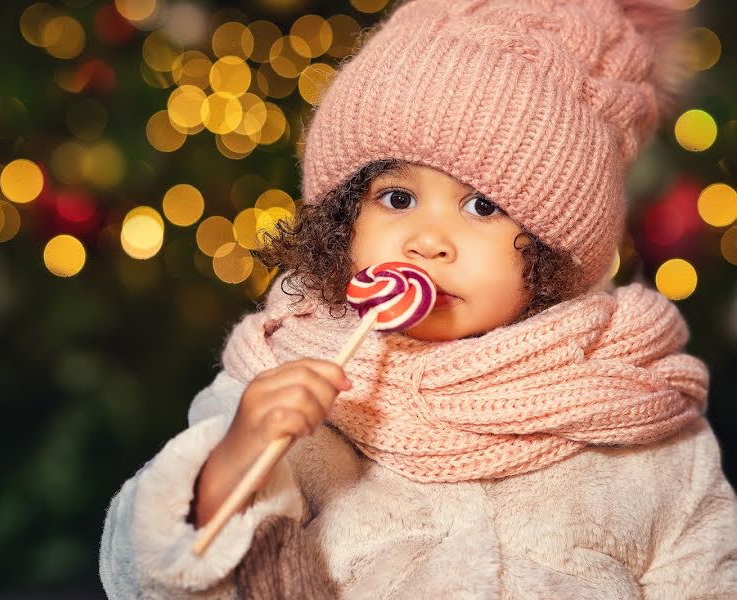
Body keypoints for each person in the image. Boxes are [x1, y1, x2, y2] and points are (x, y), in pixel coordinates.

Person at [100, 0, 737, 597]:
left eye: (483, 206)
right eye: (397, 198)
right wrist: (229, 468)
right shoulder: (282, 386)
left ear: (550, 247)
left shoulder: (633, 411)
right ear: (346, 214)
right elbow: (139, 578)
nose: (428, 241)